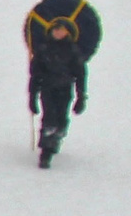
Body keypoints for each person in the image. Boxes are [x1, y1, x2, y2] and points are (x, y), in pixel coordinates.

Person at [27, 18, 86, 168]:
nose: (58, 32)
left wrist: (81, 96)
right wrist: (32, 96)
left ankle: (55, 141)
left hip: (65, 89)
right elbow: (35, 74)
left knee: (61, 119)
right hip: (47, 88)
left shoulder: (72, 50)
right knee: (49, 119)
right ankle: (45, 153)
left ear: (67, 32)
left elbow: (80, 74)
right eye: (56, 29)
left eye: (61, 30)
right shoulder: (43, 49)